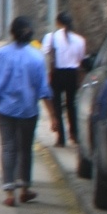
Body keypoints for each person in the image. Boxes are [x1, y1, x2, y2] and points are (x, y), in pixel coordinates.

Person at [0, 15, 54, 206]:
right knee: (25, 149)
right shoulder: (37, 57)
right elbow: (44, 90)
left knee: (8, 147)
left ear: (12, 32)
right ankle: (25, 189)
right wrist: (53, 117)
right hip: (28, 110)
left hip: (4, 109)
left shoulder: (2, 55)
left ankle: (9, 193)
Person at [41, 11, 88, 146]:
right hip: (73, 74)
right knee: (72, 104)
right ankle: (74, 134)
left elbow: (45, 53)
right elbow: (81, 60)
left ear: (58, 23)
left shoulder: (51, 37)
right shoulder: (80, 40)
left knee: (57, 106)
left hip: (57, 74)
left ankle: (61, 138)